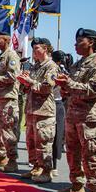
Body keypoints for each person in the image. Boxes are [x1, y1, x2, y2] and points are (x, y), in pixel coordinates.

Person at [55, 29, 96, 192]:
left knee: (92, 154)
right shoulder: (78, 65)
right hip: (73, 116)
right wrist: (64, 86)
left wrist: (69, 83)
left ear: (92, 43)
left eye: (80, 41)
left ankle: (95, 191)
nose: (75, 44)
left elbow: (93, 89)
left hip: (90, 117)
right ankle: (76, 185)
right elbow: (72, 88)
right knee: (72, 153)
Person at [18, 38, 59, 183]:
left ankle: (47, 171)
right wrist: (24, 83)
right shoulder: (35, 66)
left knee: (43, 143)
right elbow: (28, 88)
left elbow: (47, 87)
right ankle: (36, 167)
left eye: (37, 48)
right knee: (31, 141)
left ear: (46, 49)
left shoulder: (51, 66)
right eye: (33, 48)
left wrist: (30, 82)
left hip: (44, 111)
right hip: (31, 109)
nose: (34, 51)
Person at [0, 31, 20, 173]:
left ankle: (12, 160)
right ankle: (1, 156)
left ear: (6, 40)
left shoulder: (11, 55)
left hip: (8, 99)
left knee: (8, 130)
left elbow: (13, 76)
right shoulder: (1, 56)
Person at [51, 50, 71, 177]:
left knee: (57, 136)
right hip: (47, 104)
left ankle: (54, 166)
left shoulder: (62, 71)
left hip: (57, 102)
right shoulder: (48, 68)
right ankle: (40, 164)